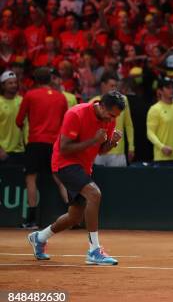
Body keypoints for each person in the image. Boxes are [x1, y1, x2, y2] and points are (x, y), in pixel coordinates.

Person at [27, 91, 126, 265]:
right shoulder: (76, 114)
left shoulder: (109, 119)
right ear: (101, 105)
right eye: (110, 115)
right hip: (63, 163)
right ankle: (94, 250)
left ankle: (39, 237)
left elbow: (100, 150)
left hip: (83, 167)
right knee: (94, 194)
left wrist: (112, 143)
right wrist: (93, 140)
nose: (111, 120)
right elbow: (64, 148)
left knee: (74, 217)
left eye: (115, 117)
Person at [16, 67, 69, 228]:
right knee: (59, 178)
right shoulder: (61, 98)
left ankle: (31, 220)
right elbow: (66, 122)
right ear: (50, 79)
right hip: (54, 144)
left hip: (35, 142)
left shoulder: (30, 95)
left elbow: (19, 121)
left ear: (35, 80)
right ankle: (73, 215)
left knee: (31, 179)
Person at [90, 72, 135, 166]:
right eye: (111, 86)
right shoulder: (93, 102)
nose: (114, 89)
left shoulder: (123, 100)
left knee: (119, 180)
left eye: (116, 86)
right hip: (97, 151)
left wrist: (131, 147)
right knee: (98, 180)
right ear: (103, 85)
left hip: (118, 152)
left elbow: (128, 124)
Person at [0, 71, 25, 166]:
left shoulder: (22, 101)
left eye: (15, 82)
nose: (14, 85)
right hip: (4, 151)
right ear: (3, 86)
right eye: (10, 83)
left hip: (20, 150)